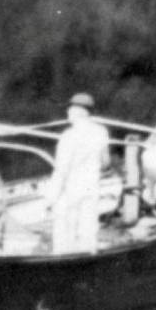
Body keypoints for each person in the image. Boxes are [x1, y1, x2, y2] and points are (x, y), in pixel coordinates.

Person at [46, 93, 111, 256]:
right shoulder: (101, 131)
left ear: (79, 111)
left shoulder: (68, 136)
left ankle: (62, 261)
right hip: (91, 186)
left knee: (64, 230)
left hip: (72, 188)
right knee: (88, 229)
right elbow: (105, 162)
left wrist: (51, 198)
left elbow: (61, 170)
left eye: (70, 109)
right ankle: (87, 262)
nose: (68, 112)